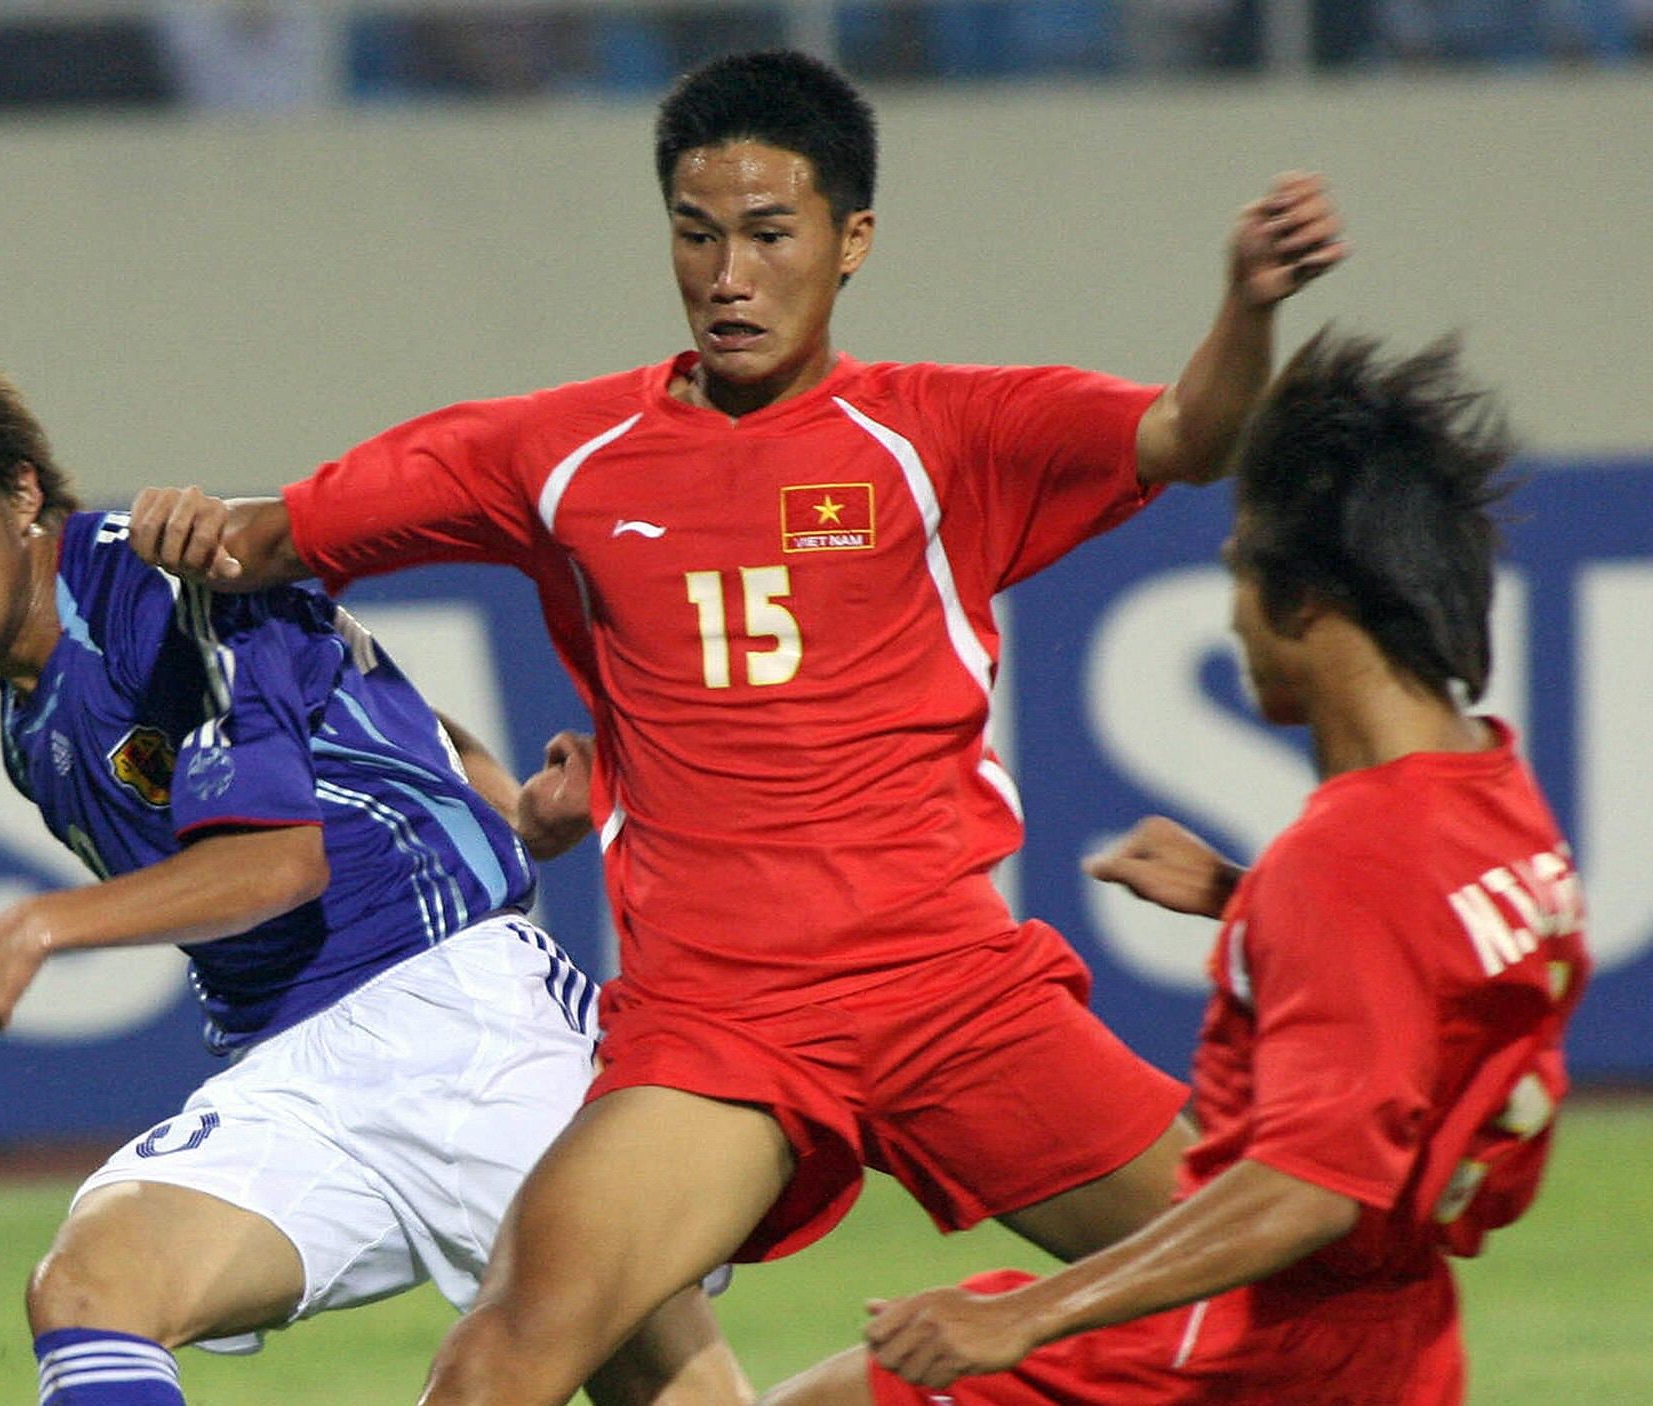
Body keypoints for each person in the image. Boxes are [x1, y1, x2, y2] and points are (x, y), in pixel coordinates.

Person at [126, 48, 1348, 1406]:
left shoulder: (946, 436)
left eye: (769, 235)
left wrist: (1246, 307)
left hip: (950, 993)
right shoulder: (563, 457)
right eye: (697, 235)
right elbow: (274, 534)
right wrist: (195, 532)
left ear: (852, 240)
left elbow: (1193, 432)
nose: (728, 273)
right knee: (503, 1362)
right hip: (721, 1028)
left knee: (1295, 1290)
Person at [0, 331, 745, 1406]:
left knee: (628, 1386)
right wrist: (509, 807)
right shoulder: (27, 718)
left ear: (17, 494)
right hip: (288, 1063)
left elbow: (281, 862)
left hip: (467, 1025)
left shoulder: (168, 574)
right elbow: (370, 692)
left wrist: (42, 924)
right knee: (91, 1284)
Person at [766, 329, 1591, 1406]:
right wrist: (1244, 900)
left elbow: (1307, 1188)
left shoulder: (1346, 861)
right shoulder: (1494, 792)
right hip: (1407, 1342)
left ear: (1304, 600)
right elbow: (1438, 984)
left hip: (1258, 1347)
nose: (1234, 616)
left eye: (1240, 571)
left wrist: (1023, 1313)